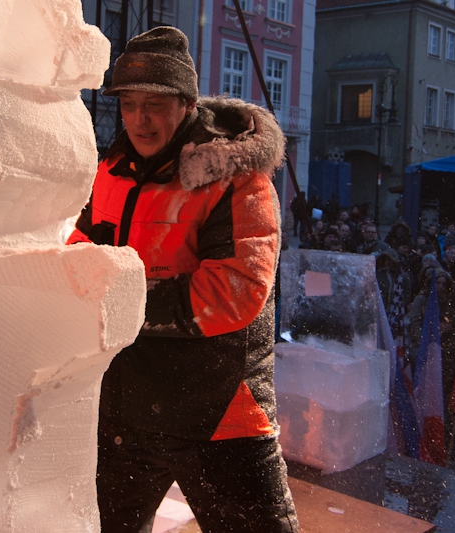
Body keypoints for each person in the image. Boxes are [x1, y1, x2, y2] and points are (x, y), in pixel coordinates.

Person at [66, 27, 299, 533]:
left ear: (187, 104)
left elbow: (238, 291)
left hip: (218, 410)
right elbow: (80, 249)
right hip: (126, 406)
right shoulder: (112, 171)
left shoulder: (235, 175)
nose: (139, 119)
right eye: (129, 104)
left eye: (155, 104)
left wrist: (115, 301)